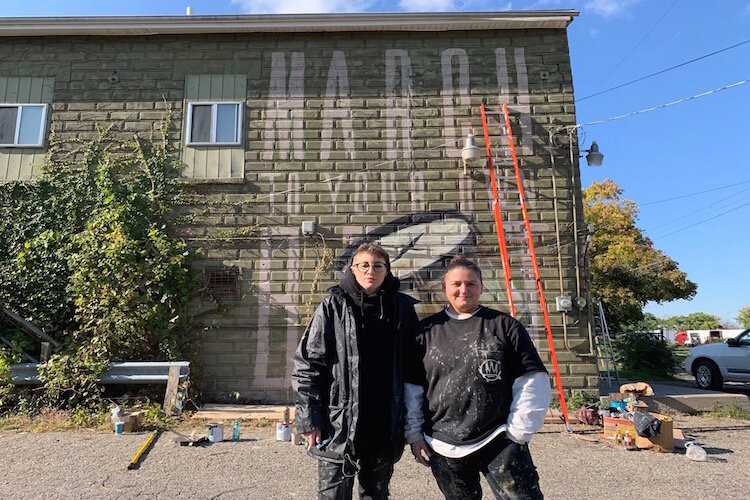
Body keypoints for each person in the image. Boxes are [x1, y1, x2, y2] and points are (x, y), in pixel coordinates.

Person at [404, 255, 551, 500]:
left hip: (498, 438)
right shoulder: (425, 333)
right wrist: (415, 434)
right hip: (443, 443)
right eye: (457, 284)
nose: (464, 290)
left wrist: (518, 432)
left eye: (471, 284)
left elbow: (532, 380)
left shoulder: (505, 327)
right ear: (445, 288)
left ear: (481, 287)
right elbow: (413, 390)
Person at [292, 242, 419, 500]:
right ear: (352, 270)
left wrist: (413, 424)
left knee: (376, 494)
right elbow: (308, 365)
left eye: (377, 266)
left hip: (383, 424)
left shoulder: (402, 309)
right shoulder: (332, 307)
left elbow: (415, 367)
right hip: (337, 424)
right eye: (364, 265)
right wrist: (309, 419)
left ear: (387, 271)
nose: (370, 271)